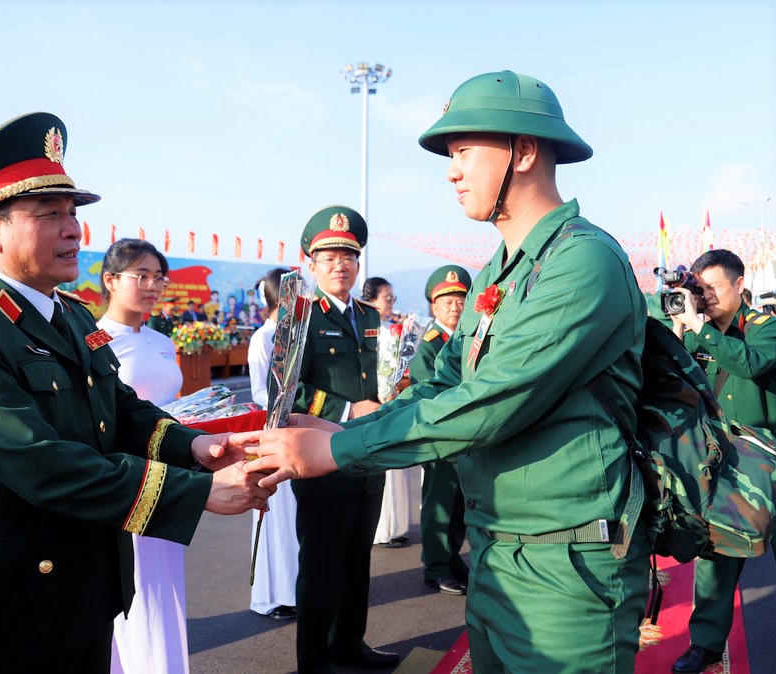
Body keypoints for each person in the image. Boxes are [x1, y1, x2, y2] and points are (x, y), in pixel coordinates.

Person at [249, 71, 650, 673]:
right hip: (497, 547)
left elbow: (494, 400)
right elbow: (443, 382)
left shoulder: (582, 260)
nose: (450, 170)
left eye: (463, 151)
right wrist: (336, 431)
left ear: (525, 149)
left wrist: (341, 451)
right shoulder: (497, 272)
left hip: (567, 562)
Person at [0, 112, 270, 672]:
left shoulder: (72, 316)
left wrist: (193, 448)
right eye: (48, 214)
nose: (73, 229)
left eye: (74, 214)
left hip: (86, 585)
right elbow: (38, 461)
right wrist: (195, 493)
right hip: (5, 603)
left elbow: (120, 411)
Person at [289, 205, 397, 673]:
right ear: (309, 263)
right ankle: (314, 661)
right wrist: (347, 409)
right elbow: (285, 390)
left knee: (357, 563)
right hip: (321, 456)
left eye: (349, 256)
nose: (340, 265)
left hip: (368, 458)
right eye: (328, 257)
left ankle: (349, 642)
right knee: (321, 569)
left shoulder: (372, 318)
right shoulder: (299, 318)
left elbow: (383, 379)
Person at [667, 249, 776, 674]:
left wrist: (701, 329)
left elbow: (750, 364)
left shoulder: (767, 329)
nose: (706, 296)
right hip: (726, 467)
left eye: (712, 287)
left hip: (774, 464)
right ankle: (706, 644)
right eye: (700, 288)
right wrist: (679, 330)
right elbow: (670, 377)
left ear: (738, 284)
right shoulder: (696, 331)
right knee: (715, 557)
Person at [95, 238, 189, 674]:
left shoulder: (161, 341)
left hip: (170, 473)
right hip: (129, 478)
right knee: (132, 586)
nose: (153, 286)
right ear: (111, 280)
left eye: (158, 277)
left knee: (165, 581)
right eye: (141, 276)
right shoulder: (95, 342)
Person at [411, 265, 472, 596]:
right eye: (446, 300)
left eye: (460, 299)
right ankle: (435, 566)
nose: (454, 306)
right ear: (433, 306)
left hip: (466, 435)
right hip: (440, 434)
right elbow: (427, 389)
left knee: (459, 504)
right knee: (439, 502)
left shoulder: (466, 340)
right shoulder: (430, 343)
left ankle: (451, 558)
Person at [247, 267, 298, 621]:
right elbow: (260, 393)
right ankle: (271, 595)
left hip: (294, 435)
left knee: (294, 519)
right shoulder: (263, 339)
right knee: (274, 518)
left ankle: (294, 588)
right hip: (271, 435)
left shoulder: (293, 337)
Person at [361, 277, 411, 549]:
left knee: (395, 468)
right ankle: (382, 530)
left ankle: (396, 526)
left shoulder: (392, 330)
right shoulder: (365, 330)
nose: (391, 303)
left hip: (390, 402)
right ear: (372, 301)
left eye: (393, 298)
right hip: (370, 406)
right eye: (386, 298)